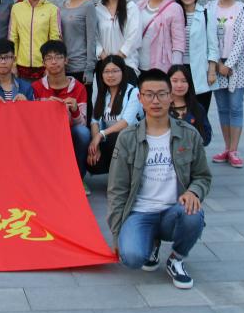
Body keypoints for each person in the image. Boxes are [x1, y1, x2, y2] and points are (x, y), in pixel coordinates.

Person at [107, 68, 212, 291]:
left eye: (161, 94)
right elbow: (117, 189)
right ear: (140, 98)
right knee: (131, 258)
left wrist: (193, 192)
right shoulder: (127, 138)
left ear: (171, 96)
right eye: (149, 94)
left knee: (193, 214)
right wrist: (117, 236)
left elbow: (202, 176)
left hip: (174, 210)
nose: (155, 101)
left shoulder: (189, 134)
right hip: (140, 213)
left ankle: (176, 258)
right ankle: (151, 243)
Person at [32, 40, 91, 186]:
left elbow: (82, 124)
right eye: (49, 58)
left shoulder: (78, 87)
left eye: (58, 57)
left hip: (69, 131)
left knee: (83, 133)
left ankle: (78, 179)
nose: (54, 62)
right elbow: (32, 122)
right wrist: (45, 108)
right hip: (45, 133)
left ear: (66, 60)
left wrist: (75, 110)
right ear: (43, 63)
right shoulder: (36, 87)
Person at [207, 0, 244, 168]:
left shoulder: (242, 9)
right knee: (223, 108)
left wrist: (229, 64)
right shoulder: (209, 8)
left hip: (236, 67)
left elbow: (241, 40)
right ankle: (226, 147)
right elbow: (208, 37)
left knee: (236, 107)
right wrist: (217, 64)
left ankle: (234, 149)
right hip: (216, 66)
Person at [87, 55, 143, 176]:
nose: (110, 75)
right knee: (93, 159)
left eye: (115, 71)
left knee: (116, 137)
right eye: (106, 71)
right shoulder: (102, 95)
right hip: (109, 141)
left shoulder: (133, 92)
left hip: (130, 140)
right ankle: (113, 178)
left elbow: (125, 122)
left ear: (123, 72)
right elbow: (94, 121)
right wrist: (95, 145)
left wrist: (100, 135)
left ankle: (121, 179)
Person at [174, 0, 219, 113]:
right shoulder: (174, 13)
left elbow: (213, 46)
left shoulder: (206, 14)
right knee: (181, 111)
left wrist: (212, 71)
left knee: (200, 112)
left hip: (200, 71)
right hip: (180, 68)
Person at [9, 0, 61, 81]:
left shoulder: (52, 9)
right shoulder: (16, 8)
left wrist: (51, 65)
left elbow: (55, 40)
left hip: (44, 67)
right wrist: (12, 64)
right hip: (21, 67)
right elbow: (13, 37)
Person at [96, 0, 141, 85]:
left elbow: (134, 36)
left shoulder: (131, 7)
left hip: (127, 65)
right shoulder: (97, 9)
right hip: (104, 67)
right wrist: (104, 57)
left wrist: (118, 58)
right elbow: (94, 37)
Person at [137, 0, 185, 73]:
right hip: (139, 65)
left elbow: (178, 42)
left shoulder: (175, 8)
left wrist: (175, 69)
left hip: (163, 67)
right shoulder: (139, 5)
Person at [59, 0, 96, 96]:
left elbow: (92, 38)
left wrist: (89, 68)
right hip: (62, 67)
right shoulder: (61, 6)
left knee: (83, 105)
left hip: (81, 67)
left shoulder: (88, 6)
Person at [168, 64, 212, 146]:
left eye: (184, 81)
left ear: (189, 83)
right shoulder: (162, 107)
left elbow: (206, 137)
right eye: (175, 81)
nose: (179, 85)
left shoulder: (197, 108)